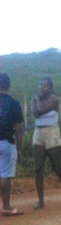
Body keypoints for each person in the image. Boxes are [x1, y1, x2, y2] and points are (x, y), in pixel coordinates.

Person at [31, 77, 61, 210]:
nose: (42, 88)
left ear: (50, 88)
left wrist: (37, 100)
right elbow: (37, 112)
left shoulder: (54, 99)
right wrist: (37, 101)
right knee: (38, 168)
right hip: (38, 132)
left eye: (45, 86)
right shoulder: (37, 99)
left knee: (57, 167)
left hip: (51, 132)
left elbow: (39, 111)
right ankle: (41, 201)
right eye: (41, 85)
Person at [0, 73, 25, 216]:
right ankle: (7, 206)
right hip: (6, 142)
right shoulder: (14, 103)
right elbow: (19, 128)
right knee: (4, 175)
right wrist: (19, 149)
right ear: (8, 86)